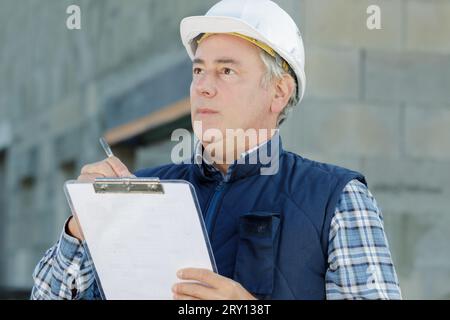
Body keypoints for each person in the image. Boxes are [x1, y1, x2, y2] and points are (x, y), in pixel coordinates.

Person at [31, 0, 402, 300]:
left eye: (226, 71)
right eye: (198, 71)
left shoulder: (335, 198)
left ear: (278, 92)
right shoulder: (140, 190)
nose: (203, 87)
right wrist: (81, 228)